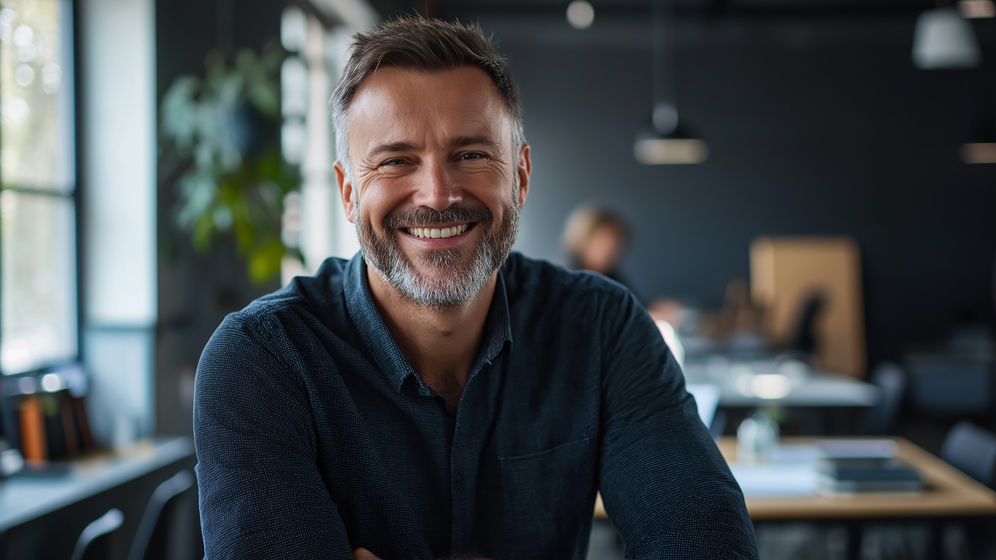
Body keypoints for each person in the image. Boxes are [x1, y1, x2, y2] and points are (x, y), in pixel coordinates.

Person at [194, 17, 756, 560]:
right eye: (396, 161)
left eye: (470, 155)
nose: (437, 194)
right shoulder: (263, 358)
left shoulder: (602, 328)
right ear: (347, 192)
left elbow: (710, 547)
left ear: (521, 175)